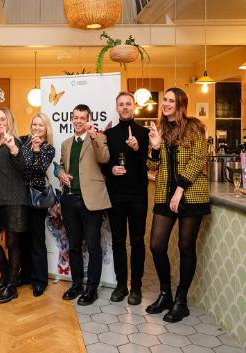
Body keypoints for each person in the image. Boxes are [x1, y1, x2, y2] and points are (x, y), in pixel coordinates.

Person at [146, 87, 210, 323]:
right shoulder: (160, 130)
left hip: (191, 195)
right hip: (164, 194)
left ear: (181, 104)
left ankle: (181, 301)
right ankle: (166, 294)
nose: (166, 103)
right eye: (164, 99)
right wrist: (154, 147)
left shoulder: (194, 127)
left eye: (171, 100)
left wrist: (180, 189)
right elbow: (151, 167)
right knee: (156, 246)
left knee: (185, 246)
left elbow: (198, 159)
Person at [58, 104, 110, 306]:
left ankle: (92, 289)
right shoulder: (66, 143)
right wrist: (61, 173)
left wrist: (94, 136)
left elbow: (104, 158)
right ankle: (77, 284)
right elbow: (62, 165)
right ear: (72, 119)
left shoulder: (99, 138)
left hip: (91, 202)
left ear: (88, 119)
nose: (78, 121)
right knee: (73, 246)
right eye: (75, 117)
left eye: (82, 117)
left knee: (93, 246)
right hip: (70, 200)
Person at [102, 92, 149, 305]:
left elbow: (150, 164)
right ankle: (122, 285)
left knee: (137, 242)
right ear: (116, 107)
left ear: (134, 106)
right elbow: (102, 162)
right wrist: (111, 168)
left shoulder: (145, 133)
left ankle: (136, 287)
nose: (124, 107)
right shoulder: (109, 134)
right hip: (116, 196)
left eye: (128, 104)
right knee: (118, 242)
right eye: (121, 104)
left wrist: (137, 149)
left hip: (138, 195)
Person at [0, 106, 29, 304]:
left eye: (3, 119)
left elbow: (23, 167)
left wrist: (13, 149)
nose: (0, 122)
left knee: (12, 244)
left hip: (14, 200)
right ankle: (6, 274)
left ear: (10, 121)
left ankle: (12, 286)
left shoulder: (15, 142)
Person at [19, 113, 55, 297]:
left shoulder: (48, 148)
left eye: (41, 125)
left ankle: (40, 280)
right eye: (35, 124)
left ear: (46, 128)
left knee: (37, 240)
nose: (37, 128)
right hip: (20, 196)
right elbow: (20, 167)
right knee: (22, 238)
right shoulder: (23, 141)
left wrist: (35, 149)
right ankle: (25, 274)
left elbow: (38, 169)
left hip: (37, 198)